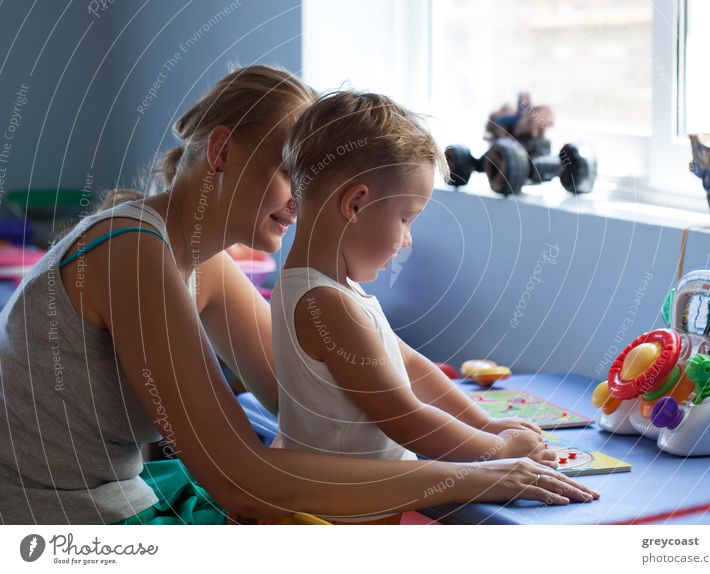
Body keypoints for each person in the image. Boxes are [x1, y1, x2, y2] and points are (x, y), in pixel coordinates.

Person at [0, 65, 597, 525]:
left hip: (113, 493)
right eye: (293, 171)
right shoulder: (132, 254)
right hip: (61, 521)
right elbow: (240, 477)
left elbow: (304, 396)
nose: (302, 199)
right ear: (222, 151)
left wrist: (484, 430)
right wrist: (473, 474)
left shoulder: (201, 266)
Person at [274, 91, 594, 523]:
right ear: (355, 204)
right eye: (405, 218)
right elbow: (405, 418)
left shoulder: (325, 290)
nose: (407, 239)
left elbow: (414, 368)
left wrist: (487, 424)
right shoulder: (327, 304)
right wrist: (495, 450)